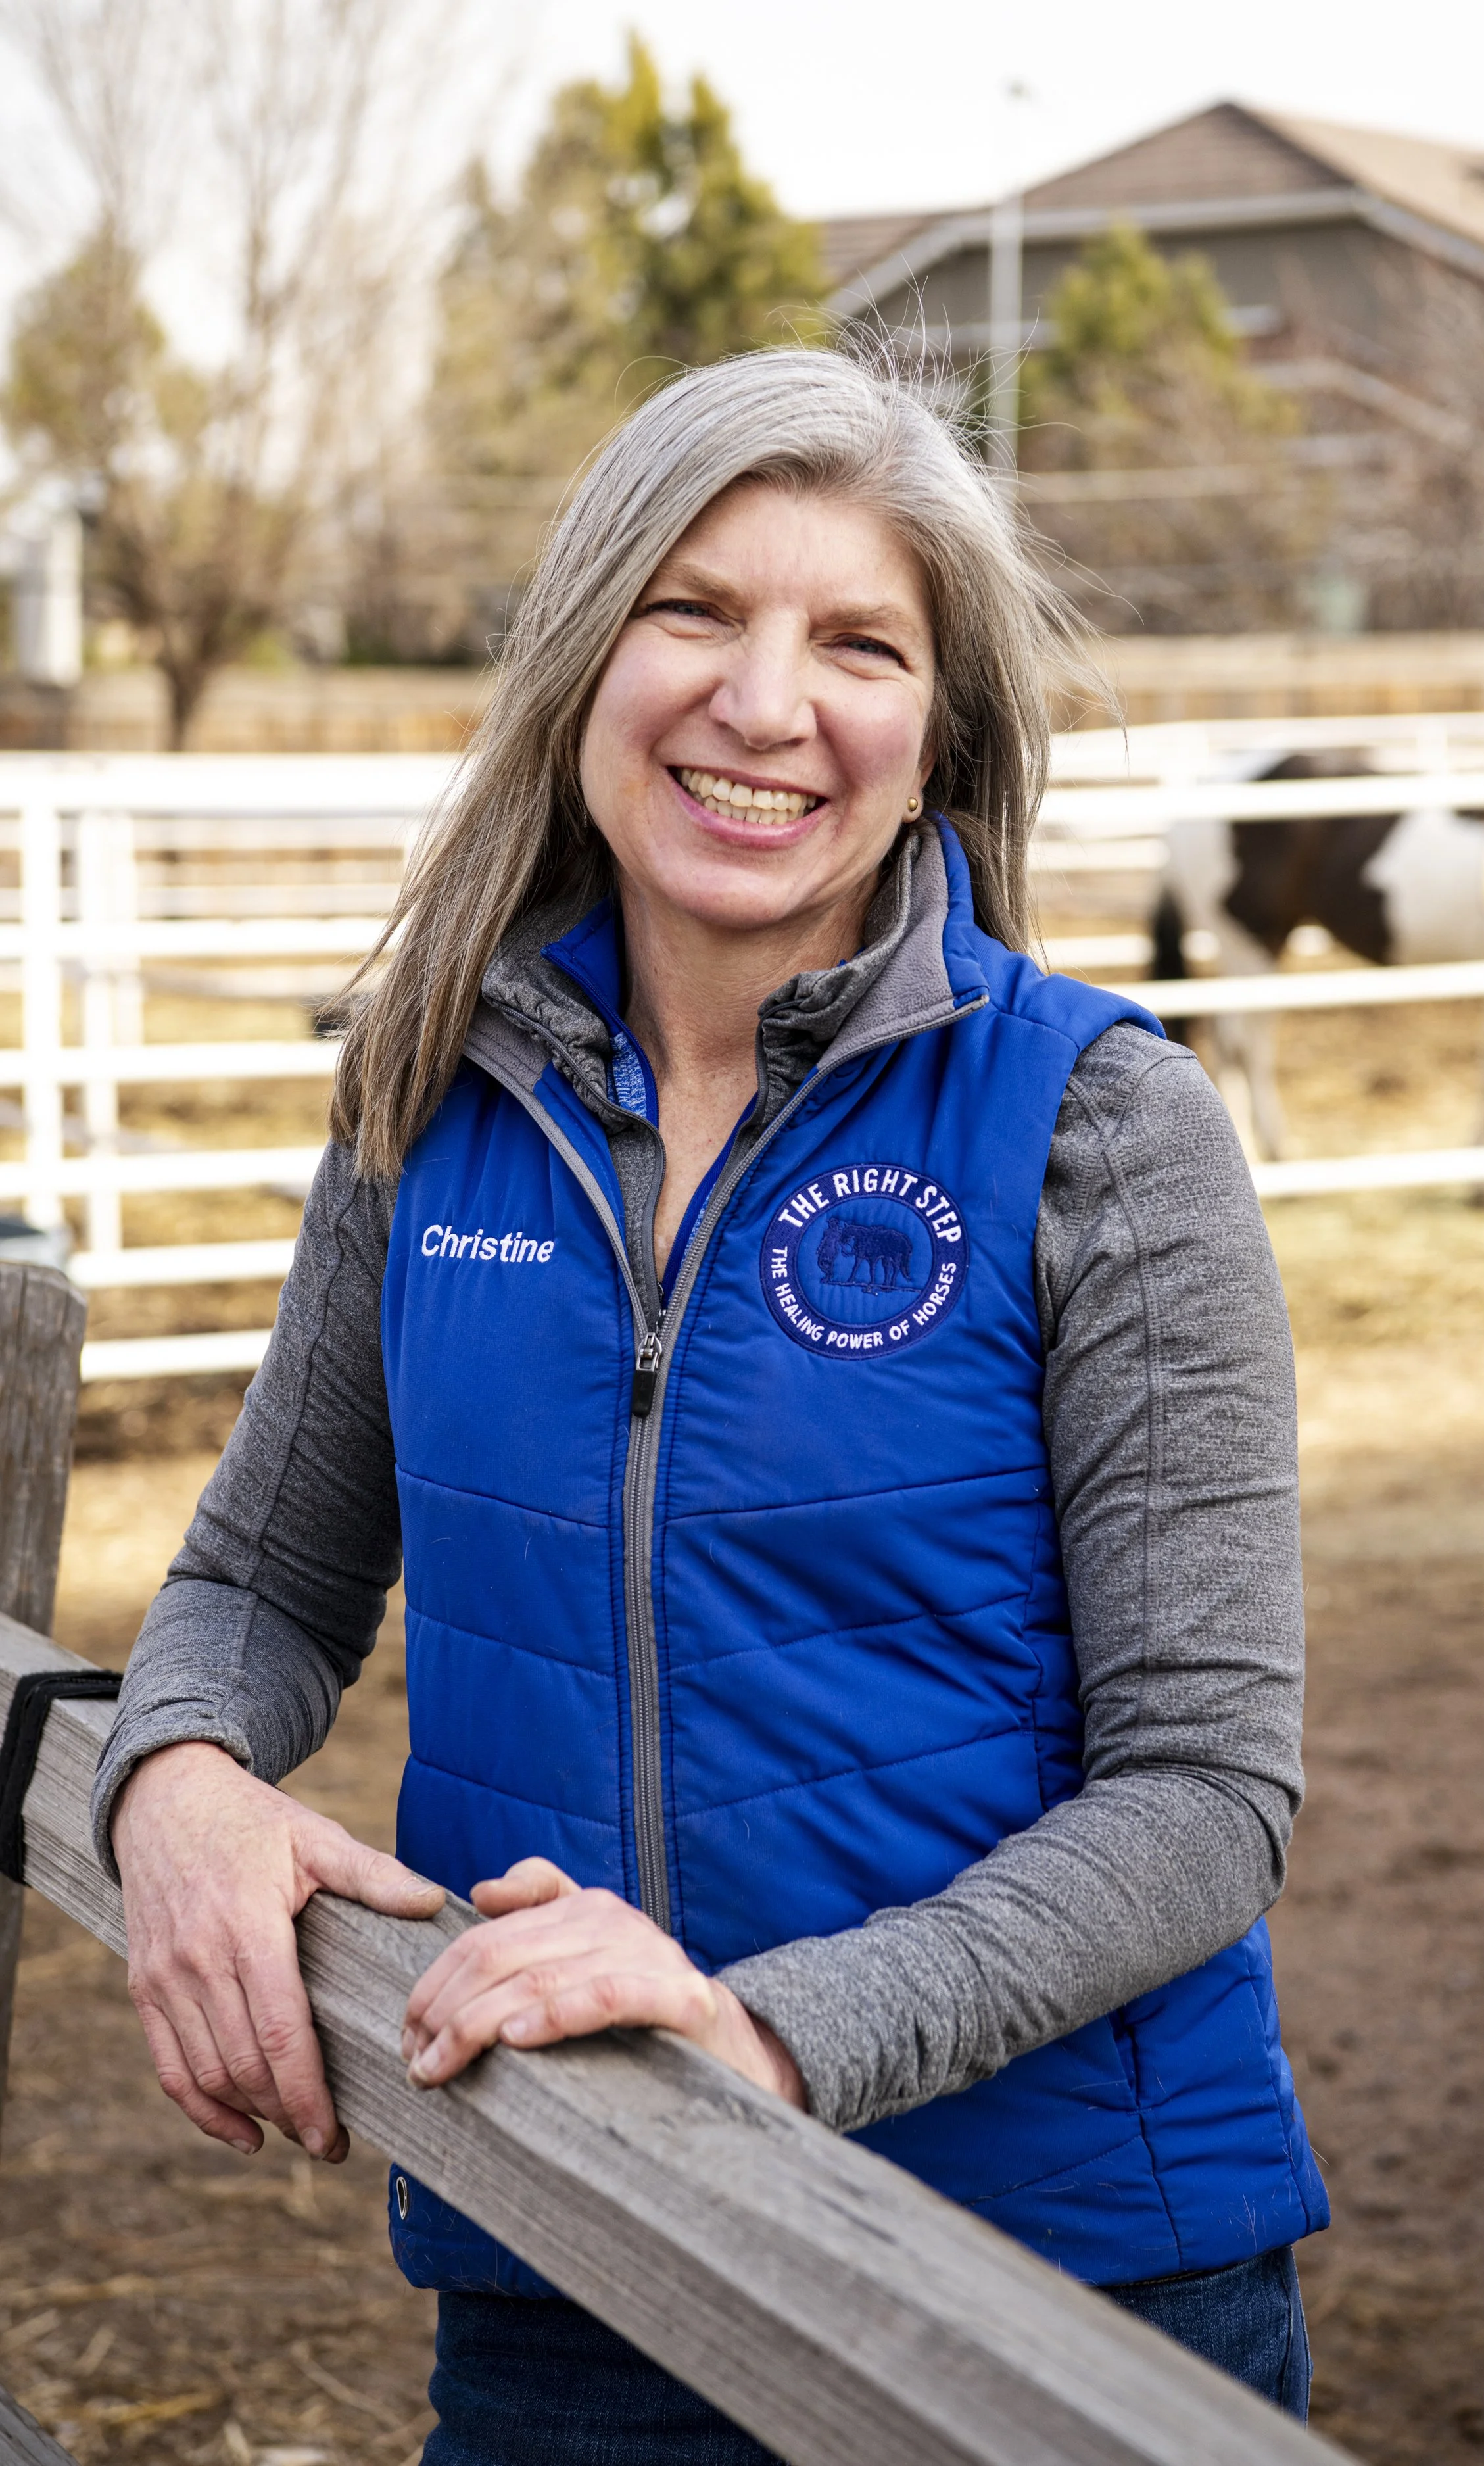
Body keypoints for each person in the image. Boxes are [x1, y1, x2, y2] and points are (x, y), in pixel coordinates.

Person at [95, 349, 1328, 2463]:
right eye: (694, 610)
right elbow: (257, 1579)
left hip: (1045, 2280)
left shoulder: (1096, 1124)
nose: (765, 705)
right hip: (573, 2241)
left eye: (855, 641)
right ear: (584, 656)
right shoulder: (426, 1097)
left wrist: (764, 2028)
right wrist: (175, 1778)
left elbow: (1208, 1790)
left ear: (931, 733)